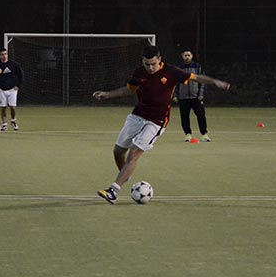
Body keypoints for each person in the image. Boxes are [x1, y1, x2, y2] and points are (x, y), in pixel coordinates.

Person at [93, 45, 231, 204]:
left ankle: (113, 191)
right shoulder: (139, 73)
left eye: (153, 64)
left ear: (160, 60)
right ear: (142, 61)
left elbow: (197, 78)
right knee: (118, 151)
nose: (150, 67)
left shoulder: (172, 72)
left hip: (156, 121)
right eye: (147, 64)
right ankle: (126, 174)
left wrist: (215, 81)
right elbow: (129, 90)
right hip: (137, 115)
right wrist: (107, 94)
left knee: (133, 154)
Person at [174, 48, 211, 142]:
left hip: (196, 97)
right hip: (183, 97)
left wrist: (201, 94)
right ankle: (187, 134)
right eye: (185, 55)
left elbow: (202, 81)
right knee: (184, 116)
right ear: (182, 56)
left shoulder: (197, 67)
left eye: (188, 55)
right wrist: (175, 95)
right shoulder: (178, 68)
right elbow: (174, 83)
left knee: (201, 116)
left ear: (192, 56)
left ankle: (204, 134)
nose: (187, 57)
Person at [0, 48, 24, 131]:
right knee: (3, 107)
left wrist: (18, 85)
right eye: (2, 54)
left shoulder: (13, 64)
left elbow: (21, 74)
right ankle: (4, 124)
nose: (4, 56)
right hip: (2, 90)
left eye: (5, 54)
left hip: (12, 90)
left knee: (12, 107)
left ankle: (13, 121)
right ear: (0, 56)